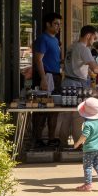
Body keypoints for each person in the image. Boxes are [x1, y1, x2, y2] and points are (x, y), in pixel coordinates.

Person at [63, 25, 98, 140]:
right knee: (78, 116)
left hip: (67, 82)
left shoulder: (72, 46)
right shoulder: (83, 49)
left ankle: (62, 143)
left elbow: (77, 65)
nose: (94, 41)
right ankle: (77, 145)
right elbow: (95, 69)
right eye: (94, 38)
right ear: (88, 36)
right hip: (76, 85)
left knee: (66, 115)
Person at [31, 12, 63, 146]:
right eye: (56, 24)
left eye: (59, 24)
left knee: (54, 108)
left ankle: (51, 138)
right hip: (46, 75)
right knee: (42, 108)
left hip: (56, 76)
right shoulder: (42, 39)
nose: (58, 27)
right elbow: (38, 59)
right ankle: (38, 139)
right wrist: (43, 78)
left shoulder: (55, 40)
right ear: (48, 24)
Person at [72, 97, 98, 192]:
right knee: (97, 163)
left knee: (87, 166)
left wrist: (77, 143)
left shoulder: (88, 124)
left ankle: (88, 185)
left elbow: (84, 136)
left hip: (89, 149)